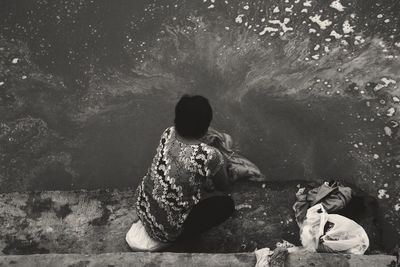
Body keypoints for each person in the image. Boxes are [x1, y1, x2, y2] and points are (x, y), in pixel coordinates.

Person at [126, 95, 235, 251]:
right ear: (205, 127)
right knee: (227, 205)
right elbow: (224, 187)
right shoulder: (210, 155)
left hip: (142, 207)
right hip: (166, 232)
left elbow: (185, 156)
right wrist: (222, 160)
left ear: (177, 119)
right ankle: (179, 239)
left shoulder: (168, 133)